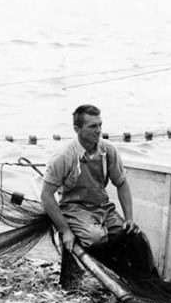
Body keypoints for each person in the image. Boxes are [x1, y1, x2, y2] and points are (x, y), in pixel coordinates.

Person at [41, 104, 152, 275]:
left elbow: (121, 183)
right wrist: (65, 231)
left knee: (131, 235)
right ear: (77, 129)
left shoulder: (108, 150)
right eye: (93, 126)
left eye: (100, 125)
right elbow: (46, 196)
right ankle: (108, 269)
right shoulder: (63, 156)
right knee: (96, 238)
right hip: (74, 208)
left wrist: (129, 218)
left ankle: (130, 276)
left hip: (102, 206)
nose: (99, 130)